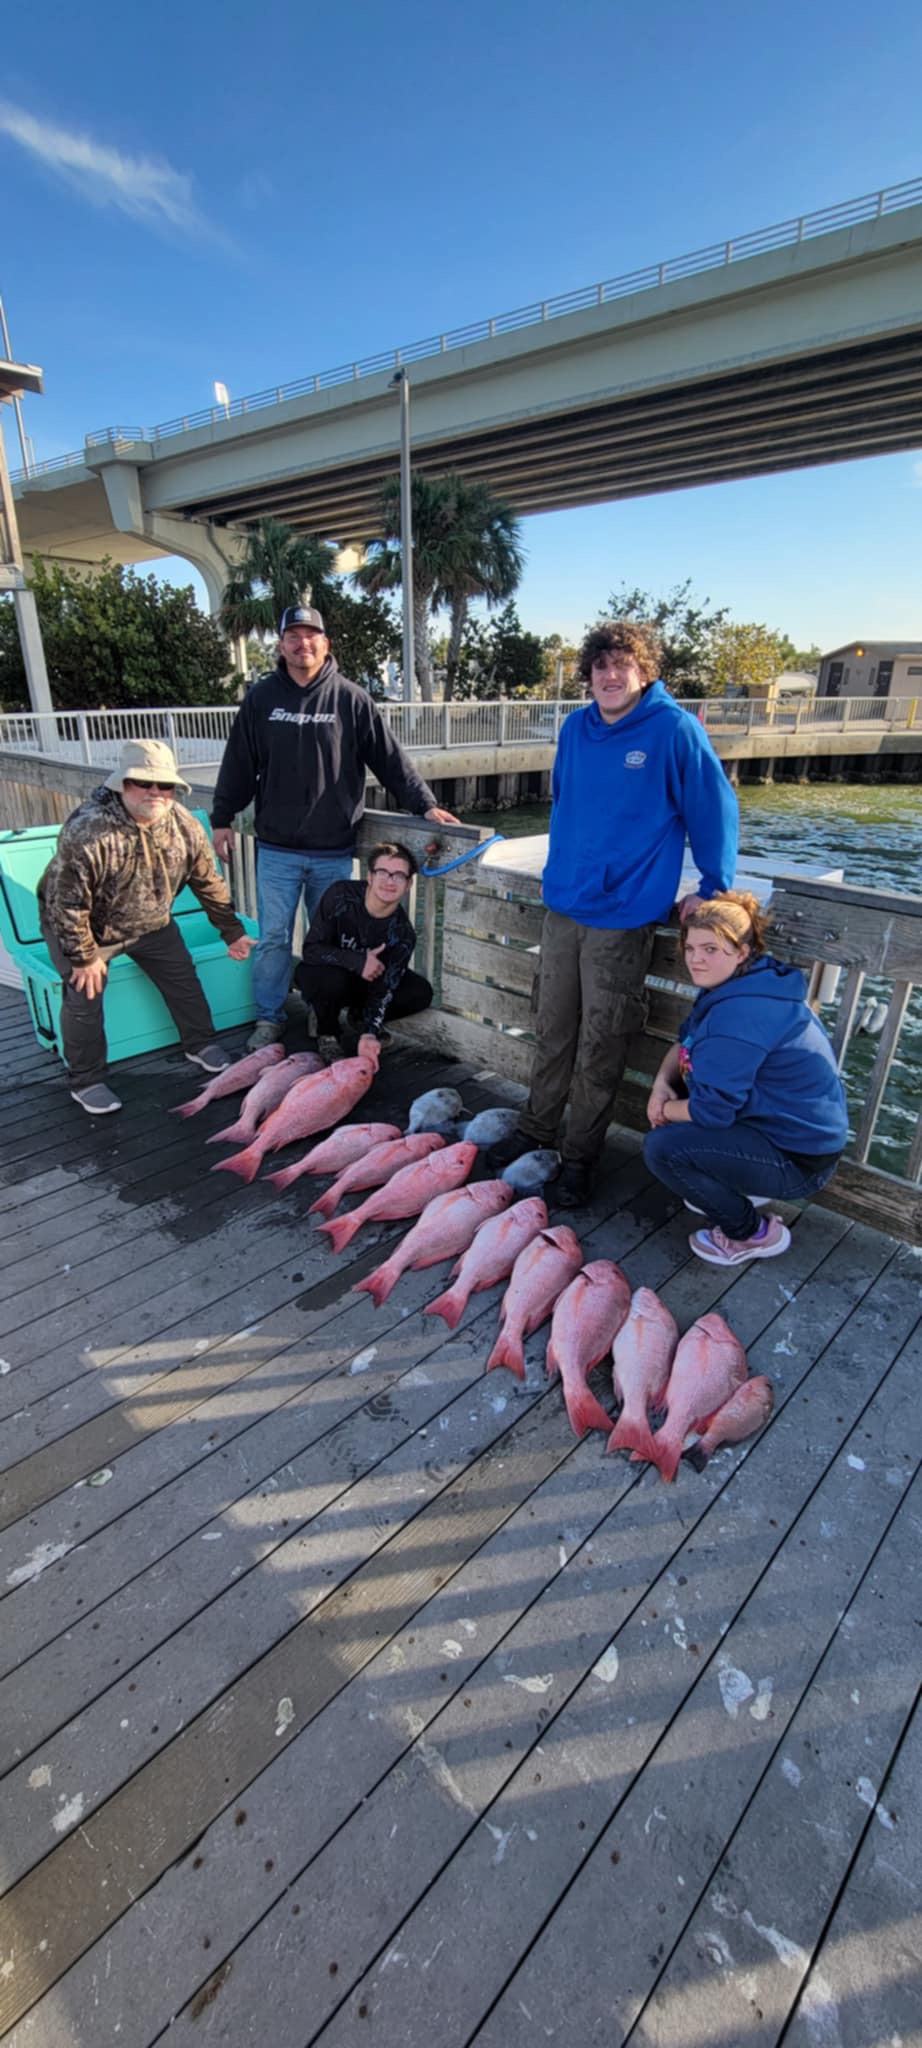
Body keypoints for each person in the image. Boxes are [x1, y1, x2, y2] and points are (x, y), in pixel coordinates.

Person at [499, 619, 739, 1206]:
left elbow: (715, 808)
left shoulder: (674, 730)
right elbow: (565, 803)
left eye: (622, 664)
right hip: (564, 907)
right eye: (600, 665)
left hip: (623, 916)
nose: (610, 675)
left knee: (600, 1045)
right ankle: (535, 1132)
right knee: (552, 1031)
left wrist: (713, 885)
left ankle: (579, 1158)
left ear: (645, 671)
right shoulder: (575, 728)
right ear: (589, 675)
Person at [210, 605, 458, 1050]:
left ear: (325, 644)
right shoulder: (262, 699)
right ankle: (268, 1018)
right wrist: (222, 818)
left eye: (312, 636)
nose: (302, 643)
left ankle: (321, 1017)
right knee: (272, 939)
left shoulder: (351, 698)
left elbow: (389, 758)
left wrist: (425, 805)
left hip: (333, 851)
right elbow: (238, 763)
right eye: (293, 636)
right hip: (277, 850)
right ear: (282, 644)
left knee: (331, 940)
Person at [38, 739, 256, 1115]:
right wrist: (83, 956)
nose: (155, 792)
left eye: (165, 785)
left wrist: (231, 931)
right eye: (144, 782)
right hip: (86, 927)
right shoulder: (87, 828)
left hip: (150, 922)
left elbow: (209, 882)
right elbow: (67, 902)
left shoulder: (185, 825)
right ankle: (86, 1080)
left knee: (184, 979)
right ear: (123, 784)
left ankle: (200, 1043)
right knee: (83, 997)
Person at [644, 890, 848, 1267]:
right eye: (690, 949)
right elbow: (684, 1042)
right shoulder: (746, 984)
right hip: (775, 1130)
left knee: (662, 1148)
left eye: (711, 950)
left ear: (741, 952)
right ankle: (733, 1183)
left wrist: (664, 1109)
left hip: (799, 1160)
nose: (696, 960)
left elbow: (712, 1113)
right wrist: (661, 1083)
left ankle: (751, 1233)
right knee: (680, 1130)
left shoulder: (739, 1016)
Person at [293, 840, 432, 1068]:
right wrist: (357, 961)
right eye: (383, 872)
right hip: (326, 974)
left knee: (420, 992)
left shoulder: (403, 933)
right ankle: (327, 1032)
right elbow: (311, 950)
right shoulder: (340, 895)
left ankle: (360, 1019)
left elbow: (386, 987)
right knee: (329, 979)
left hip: (367, 984)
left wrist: (370, 1031)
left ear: (408, 884)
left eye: (399, 875)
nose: (389, 880)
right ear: (369, 876)